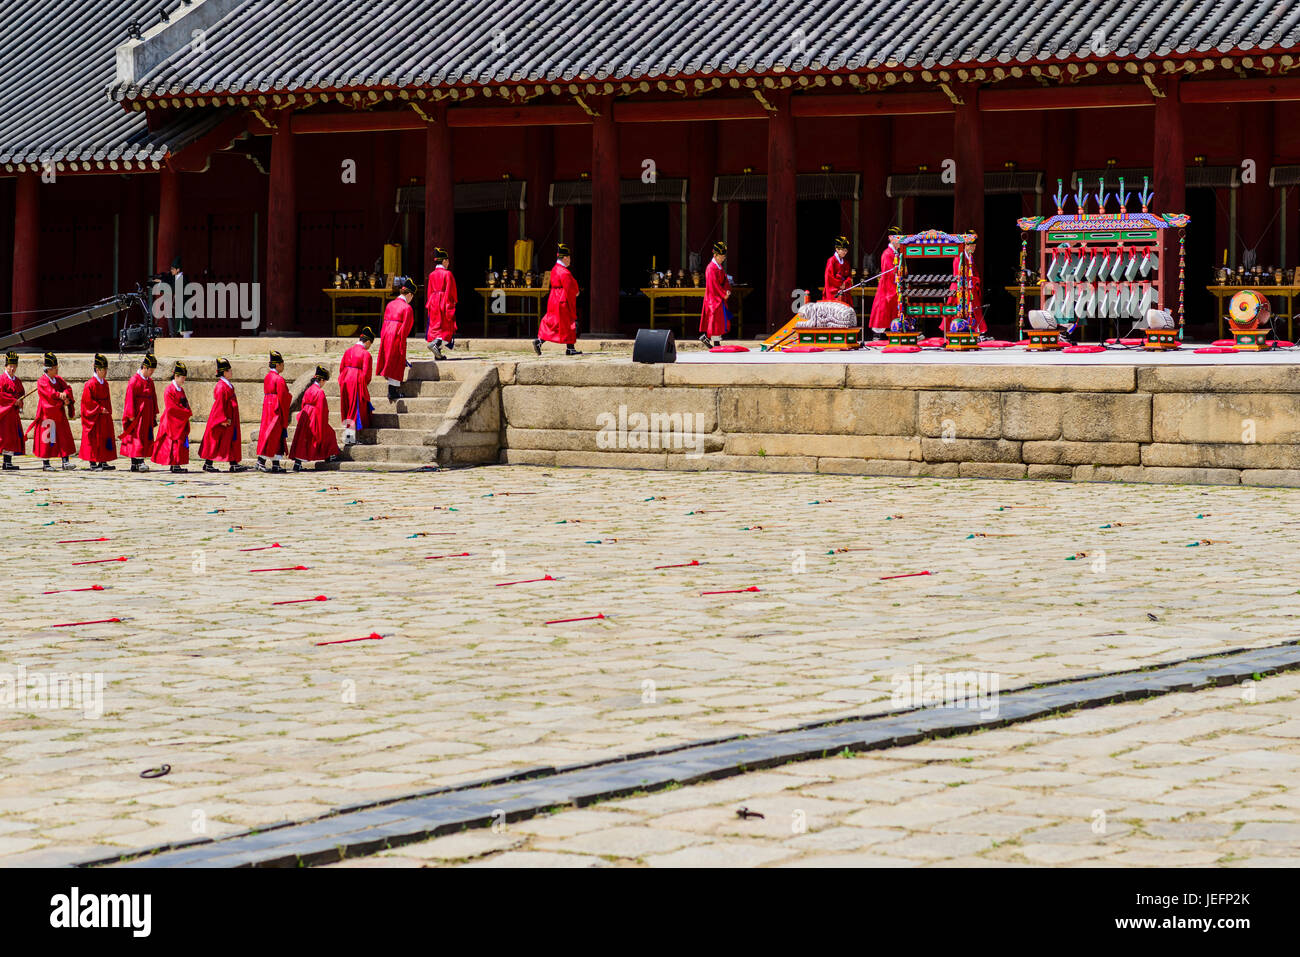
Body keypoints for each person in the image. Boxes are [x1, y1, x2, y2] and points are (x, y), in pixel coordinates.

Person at [289, 365, 341, 472]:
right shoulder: (320, 392)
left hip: (305, 416)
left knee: (302, 440)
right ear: (321, 380)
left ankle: (298, 463)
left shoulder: (309, 389)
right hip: (315, 416)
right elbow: (322, 409)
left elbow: (303, 403)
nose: (324, 384)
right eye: (324, 381)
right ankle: (329, 455)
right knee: (328, 433)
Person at [200, 357, 247, 473]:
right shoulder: (221, 387)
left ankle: (234, 463)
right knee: (215, 440)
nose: (231, 372)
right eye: (229, 370)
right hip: (223, 418)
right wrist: (222, 419)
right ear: (224, 372)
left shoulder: (228, 385)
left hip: (231, 417)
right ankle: (208, 463)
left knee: (231, 440)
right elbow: (219, 404)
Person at [30, 352, 76, 471]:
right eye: (54, 368)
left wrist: (66, 395)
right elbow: (49, 395)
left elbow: (67, 388)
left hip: (59, 412)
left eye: (57, 368)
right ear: (48, 369)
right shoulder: (42, 382)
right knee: (47, 438)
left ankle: (65, 461)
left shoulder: (58, 379)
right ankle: (46, 463)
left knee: (63, 437)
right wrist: (61, 397)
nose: (56, 370)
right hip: (47, 412)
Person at [534, 243, 581, 356]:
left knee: (554, 323)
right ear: (565, 258)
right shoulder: (564, 272)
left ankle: (569, 347)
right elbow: (569, 288)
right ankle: (541, 342)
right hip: (562, 299)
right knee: (568, 323)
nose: (570, 260)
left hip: (554, 298)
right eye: (569, 258)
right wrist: (576, 293)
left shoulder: (555, 269)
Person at [376, 277, 417, 401]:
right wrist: (401, 340)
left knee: (389, 359)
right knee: (396, 361)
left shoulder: (390, 304)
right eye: (412, 296)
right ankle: (392, 391)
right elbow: (406, 327)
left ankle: (392, 389)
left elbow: (384, 321)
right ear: (409, 294)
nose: (411, 299)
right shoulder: (407, 308)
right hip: (396, 335)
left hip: (386, 334)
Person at [151, 361, 192, 474]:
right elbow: (171, 408)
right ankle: (174, 464)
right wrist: (185, 412)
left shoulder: (181, 390)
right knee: (172, 443)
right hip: (171, 420)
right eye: (182, 377)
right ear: (176, 376)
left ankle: (178, 463)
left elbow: (185, 403)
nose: (183, 380)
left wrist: (187, 411)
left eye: (184, 377)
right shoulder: (169, 390)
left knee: (179, 442)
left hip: (180, 419)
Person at [78, 354, 117, 471]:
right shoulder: (90, 384)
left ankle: (103, 460)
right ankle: (93, 462)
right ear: (97, 369)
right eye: (103, 369)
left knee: (104, 438)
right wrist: (99, 409)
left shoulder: (105, 383)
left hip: (104, 416)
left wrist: (108, 411)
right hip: (94, 416)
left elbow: (108, 399)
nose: (105, 372)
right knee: (94, 438)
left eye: (106, 369)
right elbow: (87, 402)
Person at [121, 354, 159, 472]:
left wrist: (154, 412)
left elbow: (153, 397)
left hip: (147, 415)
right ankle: (138, 461)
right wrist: (130, 414)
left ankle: (136, 463)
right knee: (136, 438)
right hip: (137, 415)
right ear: (145, 368)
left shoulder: (150, 382)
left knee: (144, 437)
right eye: (151, 370)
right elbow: (129, 398)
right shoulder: (134, 381)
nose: (152, 372)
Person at [256, 350, 291, 473]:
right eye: (282, 364)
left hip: (268, 408)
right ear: (277, 365)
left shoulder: (267, 377)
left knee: (275, 436)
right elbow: (283, 397)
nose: (283, 367)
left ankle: (276, 463)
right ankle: (261, 461)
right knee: (272, 435)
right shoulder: (279, 379)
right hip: (276, 410)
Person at [943, 243, 988, 338]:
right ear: (966, 246)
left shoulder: (970, 257)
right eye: (971, 246)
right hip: (959, 287)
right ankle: (952, 331)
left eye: (975, 246)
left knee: (973, 309)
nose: (973, 248)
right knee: (957, 310)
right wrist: (974, 280)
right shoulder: (958, 258)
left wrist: (975, 280)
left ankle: (976, 331)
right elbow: (959, 275)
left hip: (969, 286)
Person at [338, 328, 375, 440]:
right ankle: (349, 438)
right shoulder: (366, 354)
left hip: (344, 380)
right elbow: (367, 374)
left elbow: (341, 368)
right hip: (357, 381)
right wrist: (363, 384)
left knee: (347, 407)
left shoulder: (347, 351)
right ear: (367, 342)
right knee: (355, 409)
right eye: (370, 344)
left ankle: (349, 436)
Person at [868, 229, 902, 340]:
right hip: (888, 285)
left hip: (895, 284)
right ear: (890, 238)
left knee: (892, 309)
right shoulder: (887, 254)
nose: (899, 241)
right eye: (897, 238)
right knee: (882, 309)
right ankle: (877, 333)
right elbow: (889, 272)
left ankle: (896, 329)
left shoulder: (897, 253)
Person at [425, 248, 458, 360]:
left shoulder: (431, 275)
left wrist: (430, 304)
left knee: (436, 327)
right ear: (444, 261)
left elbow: (429, 291)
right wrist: (451, 303)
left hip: (433, 302)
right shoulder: (447, 274)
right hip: (444, 301)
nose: (448, 263)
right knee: (446, 328)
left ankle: (438, 354)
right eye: (447, 261)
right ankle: (436, 344)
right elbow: (450, 291)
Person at [698, 241, 731, 348]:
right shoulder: (710, 268)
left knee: (719, 321)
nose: (723, 259)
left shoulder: (719, 267)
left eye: (724, 256)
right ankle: (708, 339)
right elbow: (713, 284)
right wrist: (722, 294)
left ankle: (713, 341)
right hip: (713, 298)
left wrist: (727, 290)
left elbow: (725, 280)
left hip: (718, 297)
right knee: (715, 321)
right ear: (715, 255)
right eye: (721, 256)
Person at [0, 351, 25, 470]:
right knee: (4, 437)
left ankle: (7, 462)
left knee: (11, 437)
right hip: (4, 413)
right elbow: (1, 395)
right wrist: (12, 401)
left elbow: (21, 393)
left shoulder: (17, 381)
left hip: (13, 413)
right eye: (10, 366)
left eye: (14, 366)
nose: (12, 368)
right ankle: (6, 461)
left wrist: (20, 403)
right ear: (6, 366)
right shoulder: (2, 379)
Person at [824, 236, 853, 305]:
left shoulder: (846, 263)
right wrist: (840, 284)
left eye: (846, 250)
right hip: (834, 292)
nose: (845, 252)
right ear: (837, 249)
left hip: (844, 291)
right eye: (843, 250)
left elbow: (849, 276)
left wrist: (845, 284)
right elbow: (829, 277)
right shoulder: (831, 261)